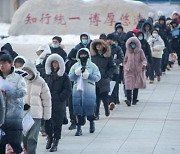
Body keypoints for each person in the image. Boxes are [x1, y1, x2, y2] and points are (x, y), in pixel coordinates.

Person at [69, 48, 101, 136]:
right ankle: (79, 129)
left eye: (84, 54)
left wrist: (89, 76)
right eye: (81, 55)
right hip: (77, 91)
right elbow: (70, 77)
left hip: (89, 90)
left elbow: (98, 77)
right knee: (78, 111)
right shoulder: (75, 66)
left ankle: (91, 123)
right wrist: (76, 73)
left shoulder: (93, 66)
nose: (83, 56)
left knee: (90, 109)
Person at [22, 60, 52, 154]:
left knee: (33, 137)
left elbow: (46, 99)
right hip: (23, 114)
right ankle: (26, 151)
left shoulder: (41, 82)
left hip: (36, 114)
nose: (28, 73)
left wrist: (47, 115)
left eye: (29, 70)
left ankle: (31, 152)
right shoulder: (21, 81)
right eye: (25, 71)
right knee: (24, 136)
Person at [45, 54, 72, 152]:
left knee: (57, 124)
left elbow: (68, 89)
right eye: (53, 62)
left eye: (56, 62)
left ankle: (56, 141)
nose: (55, 64)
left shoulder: (64, 76)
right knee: (47, 123)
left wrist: (60, 97)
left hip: (59, 104)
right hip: (47, 103)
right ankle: (49, 138)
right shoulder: (48, 75)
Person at [0, 53, 26, 154]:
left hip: (14, 116)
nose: (1, 66)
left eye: (4, 63)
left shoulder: (18, 77)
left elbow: (23, 92)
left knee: (15, 143)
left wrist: (8, 93)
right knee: (1, 143)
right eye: (0, 64)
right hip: (1, 117)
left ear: (11, 64)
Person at [90, 39, 115, 119]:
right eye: (97, 45)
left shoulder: (108, 57)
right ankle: (96, 114)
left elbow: (112, 67)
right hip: (95, 79)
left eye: (100, 45)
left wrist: (107, 75)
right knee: (96, 98)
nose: (98, 47)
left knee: (105, 97)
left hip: (104, 79)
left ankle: (106, 109)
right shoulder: (93, 57)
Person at [123, 37, 147, 106]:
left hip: (137, 71)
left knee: (136, 85)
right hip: (129, 70)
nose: (132, 45)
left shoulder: (140, 51)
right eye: (131, 44)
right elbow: (125, 59)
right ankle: (128, 99)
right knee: (128, 85)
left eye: (134, 44)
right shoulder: (128, 51)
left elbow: (144, 59)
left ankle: (134, 99)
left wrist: (143, 65)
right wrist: (125, 66)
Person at [106, 33, 124, 109]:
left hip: (115, 70)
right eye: (108, 39)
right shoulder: (104, 48)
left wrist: (115, 62)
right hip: (106, 71)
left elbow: (121, 58)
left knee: (114, 86)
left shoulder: (117, 48)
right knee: (107, 86)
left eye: (110, 39)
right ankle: (108, 101)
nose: (109, 41)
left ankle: (112, 101)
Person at [66, 48, 78, 130]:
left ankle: (77, 121)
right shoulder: (67, 63)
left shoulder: (80, 63)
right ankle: (73, 121)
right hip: (70, 87)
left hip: (78, 87)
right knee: (71, 105)